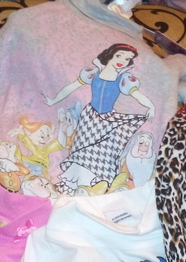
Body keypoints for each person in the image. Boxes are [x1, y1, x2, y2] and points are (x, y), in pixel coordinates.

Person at [43, 43, 155, 195]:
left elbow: (137, 95)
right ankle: (69, 186)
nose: (122, 61)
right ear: (110, 55)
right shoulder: (92, 73)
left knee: (102, 153)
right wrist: (54, 100)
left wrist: (150, 106)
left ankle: (94, 188)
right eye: (119, 56)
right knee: (82, 151)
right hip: (90, 118)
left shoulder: (123, 79)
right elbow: (72, 87)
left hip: (108, 120)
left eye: (127, 59)